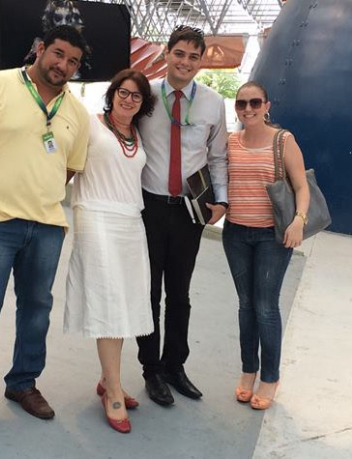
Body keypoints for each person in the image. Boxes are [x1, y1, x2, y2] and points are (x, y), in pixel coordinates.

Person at [0, 25, 90, 440]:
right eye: (58, 54)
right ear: (40, 49)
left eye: (73, 61)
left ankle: (23, 383)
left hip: (47, 228)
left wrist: (38, 191)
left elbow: (70, 167)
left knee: (36, 311)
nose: (63, 65)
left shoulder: (76, 113)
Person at [137, 25, 228, 406]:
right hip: (149, 206)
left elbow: (218, 156)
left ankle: (175, 365)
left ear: (201, 61)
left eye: (193, 56)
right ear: (167, 53)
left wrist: (221, 202)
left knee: (180, 293)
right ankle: (151, 369)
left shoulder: (212, 102)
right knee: (148, 292)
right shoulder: (144, 94)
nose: (185, 62)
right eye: (179, 53)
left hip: (190, 210)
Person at [64, 69, 156, 433]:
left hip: (130, 221)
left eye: (136, 95)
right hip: (95, 214)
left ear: (142, 103)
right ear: (112, 93)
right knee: (108, 301)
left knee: (125, 301)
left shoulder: (138, 134)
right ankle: (114, 390)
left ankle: (108, 379)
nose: (128, 99)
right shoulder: (90, 124)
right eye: (123, 92)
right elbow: (66, 163)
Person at [222, 81, 309, 410]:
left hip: (272, 236)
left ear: (267, 106)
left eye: (255, 102)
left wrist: (299, 220)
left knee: (265, 306)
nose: (248, 109)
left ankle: (270, 378)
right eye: (242, 103)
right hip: (235, 234)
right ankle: (249, 371)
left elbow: (301, 186)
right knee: (246, 305)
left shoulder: (283, 141)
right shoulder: (231, 142)